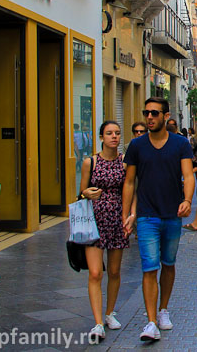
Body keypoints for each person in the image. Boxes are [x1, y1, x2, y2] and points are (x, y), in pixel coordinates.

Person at [122, 97, 195, 341]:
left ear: (165, 116)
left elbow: (188, 173)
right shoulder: (137, 146)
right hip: (146, 216)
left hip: (172, 214)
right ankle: (151, 322)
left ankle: (163, 309)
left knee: (168, 263)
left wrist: (187, 200)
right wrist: (127, 214)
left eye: (154, 113)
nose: (150, 117)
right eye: (147, 113)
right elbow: (129, 181)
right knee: (149, 267)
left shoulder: (180, 144)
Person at [80, 121, 129, 341]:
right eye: (109, 133)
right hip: (94, 219)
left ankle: (110, 312)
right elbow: (80, 191)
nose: (114, 137)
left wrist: (130, 216)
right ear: (101, 137)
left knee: (115, 271)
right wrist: (85, 193)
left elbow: (130, 189)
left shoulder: (125, 163)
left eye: (117, 133)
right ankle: (98, 321)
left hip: (116, 219)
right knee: (95, 273)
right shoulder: (90, 161)